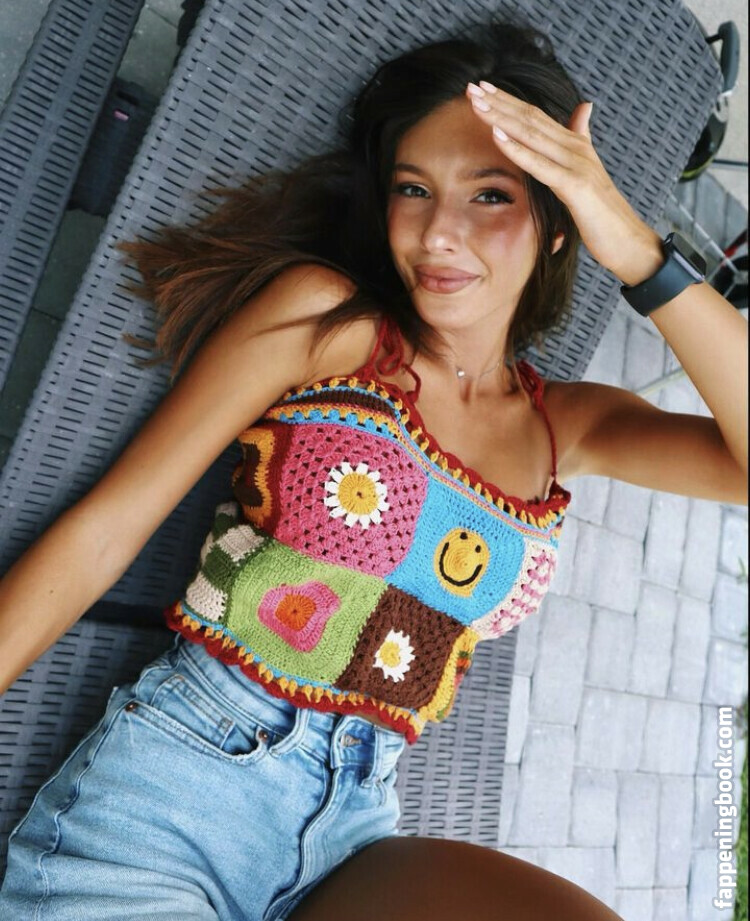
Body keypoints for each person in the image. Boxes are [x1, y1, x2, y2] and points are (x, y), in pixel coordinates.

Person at [0, 19, 746, 921]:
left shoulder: (567, 426)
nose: (439, 233)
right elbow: (109, 525)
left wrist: (635, 249)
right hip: (180, 794)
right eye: (413, 188)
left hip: (356, 826)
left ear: (560, 227)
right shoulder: (332, 326)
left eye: (491, 195)